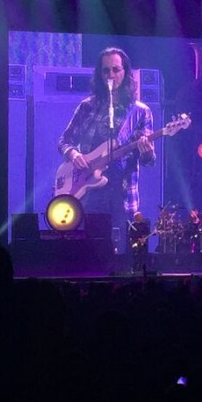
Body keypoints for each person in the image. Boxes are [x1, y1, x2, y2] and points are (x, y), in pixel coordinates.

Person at [58, 47, 155, 254]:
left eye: (116, 70)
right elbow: (64, 140)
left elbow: (148, 160)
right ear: (99, 74)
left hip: (122, 192)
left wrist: (147, 150)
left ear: (126, 72)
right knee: (87, 250)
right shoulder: (87, 106)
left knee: (121, 252)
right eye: (106, 71)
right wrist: (74, 154)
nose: (111, 75)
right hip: (87, 190)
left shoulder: (140, 112)